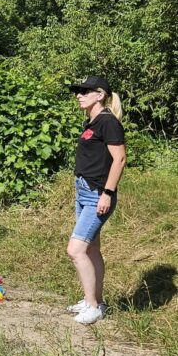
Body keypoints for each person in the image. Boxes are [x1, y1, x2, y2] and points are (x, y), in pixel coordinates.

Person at [65, 76, 126, 325]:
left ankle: (93, 307)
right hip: (84, 191)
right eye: (77, 91)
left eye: (84, 91)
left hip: (97, 194)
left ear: (100, 94)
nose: (79, 95)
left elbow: (120, 159)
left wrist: (108, 193)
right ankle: (94, 300)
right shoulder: (91, 120)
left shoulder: (108, 122)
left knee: (75, 250)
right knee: (91, 249)